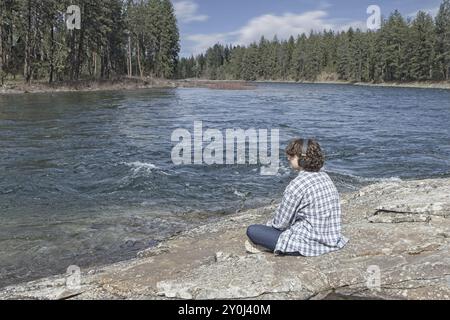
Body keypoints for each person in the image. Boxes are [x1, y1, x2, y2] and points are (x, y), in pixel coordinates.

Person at [246, 138, 349, 256]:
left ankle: (275, 248)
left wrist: (268, 226)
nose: (288, 158)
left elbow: (281, 224)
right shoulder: (325, 177)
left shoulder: (297, 184)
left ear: (303, 159)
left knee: (253, 230)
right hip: (330, 238)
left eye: (292, 156)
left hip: (308, 242)